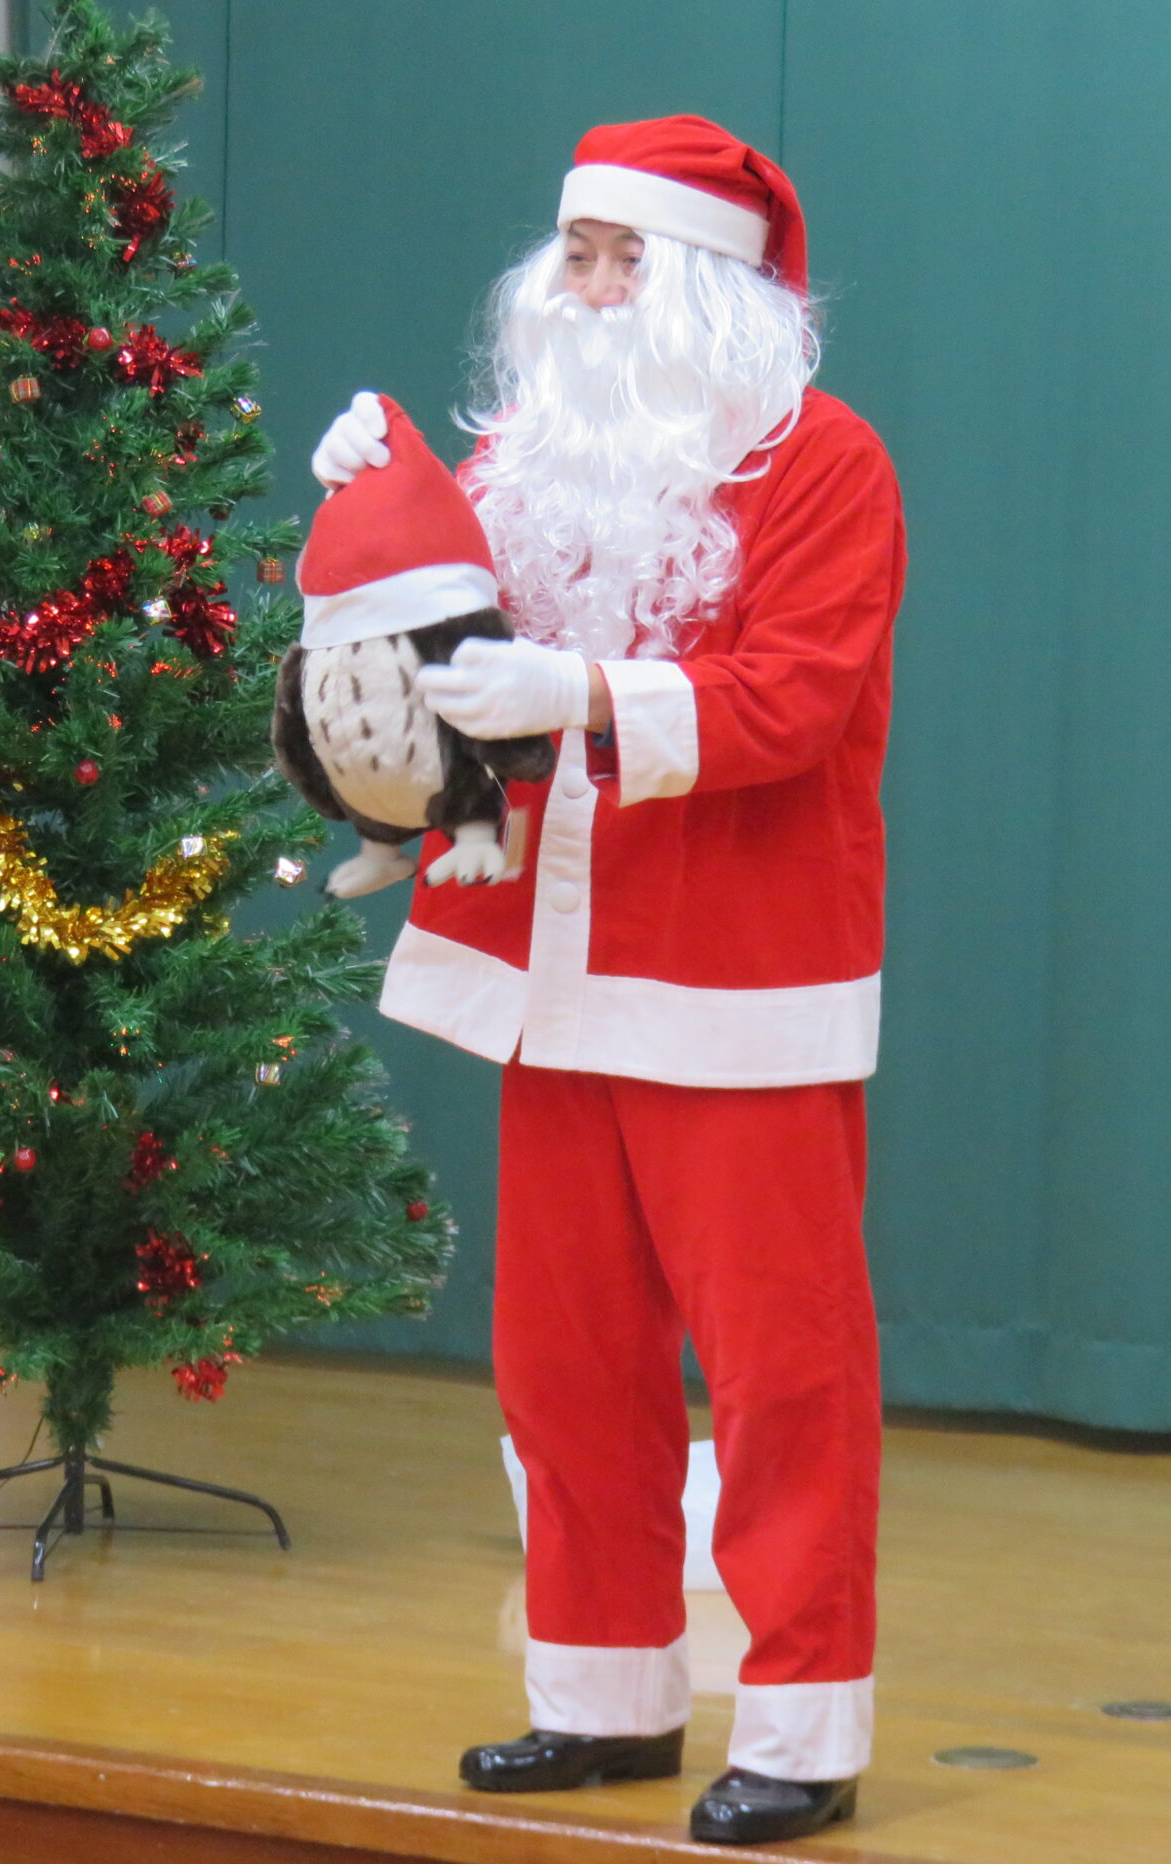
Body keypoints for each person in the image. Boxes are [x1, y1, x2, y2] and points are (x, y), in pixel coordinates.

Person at [309, 115, 905, 1846]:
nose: (578, 287)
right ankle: (601, 1696)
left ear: (710, 286)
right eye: (572, 253)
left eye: (616, 257)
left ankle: (800, 1731)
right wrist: (376, 495)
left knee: (783, 1380)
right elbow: (426, 608)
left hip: (736, 985)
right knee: (567, 1365)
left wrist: (576, 696)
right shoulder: (532, 460)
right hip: (549, 980)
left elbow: (795, 701)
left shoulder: (827, 465)